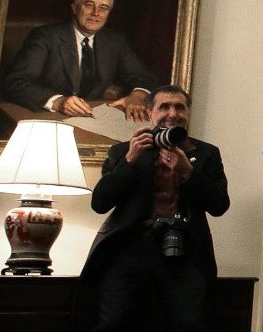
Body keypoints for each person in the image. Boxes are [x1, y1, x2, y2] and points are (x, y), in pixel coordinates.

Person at [80, 85, 230, 332]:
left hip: (185, 250)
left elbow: (219, 206)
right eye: (164, 107)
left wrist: (188, 172)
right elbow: (100, 203)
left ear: (188, 113)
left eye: (179, 107)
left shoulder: (206, 154)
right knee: (113, 323)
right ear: (150, 114)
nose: (173, 113)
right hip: (130, 248)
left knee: (192, 324)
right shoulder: (124, 151)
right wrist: (130, 159)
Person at [2, 0, 157, 122]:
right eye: (89, 5)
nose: (96, 13)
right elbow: (15, 82)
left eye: (103, 8)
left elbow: (143, 75)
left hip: (93, 119)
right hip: (47, 118)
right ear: (75, 7)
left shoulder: (114, 41)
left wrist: (138, 95)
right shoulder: (46, 37)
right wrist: (58, 102)